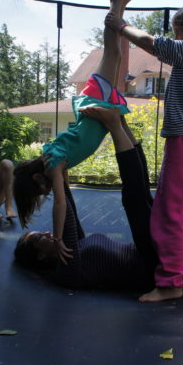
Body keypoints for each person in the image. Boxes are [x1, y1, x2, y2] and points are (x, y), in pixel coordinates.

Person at [13, 0, 143, 264]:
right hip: (95, 110)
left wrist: (58, 240)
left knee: (113, 54)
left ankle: (115, 3)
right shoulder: (54, 161)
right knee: (116, 55)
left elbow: (60, 203)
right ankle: (118, 6)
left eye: (42, 189)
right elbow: (59, 196)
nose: (48, 191)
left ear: (39, 178)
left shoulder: (55, 164)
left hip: (93, 107)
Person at [105, 2, 183, 302]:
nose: (174, 35)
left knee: (169, 211)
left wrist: (119, 25)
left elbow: (150, 43)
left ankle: (171, 282)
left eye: (177, 30)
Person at [14, 107, 159, 290]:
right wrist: (51, 177)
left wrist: (58, 172)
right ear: (40, 256)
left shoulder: (74, 247)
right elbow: (64, 211)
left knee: (140, 195)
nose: (46, 233)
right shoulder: (66, 271)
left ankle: (120, 123)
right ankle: (115, 125)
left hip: (150, 254)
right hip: (150, 269)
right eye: (38, 238)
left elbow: (70, 210)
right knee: (134, 200)